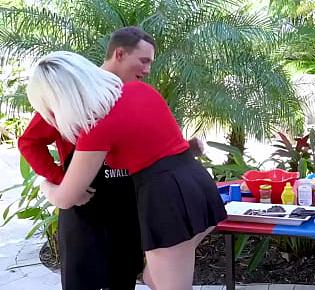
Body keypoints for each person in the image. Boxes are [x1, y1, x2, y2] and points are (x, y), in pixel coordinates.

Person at [26, 50, 227, 290]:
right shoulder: (139, 90)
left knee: (170, 285)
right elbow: (160, 148)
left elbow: (66, 197)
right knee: (153, 278)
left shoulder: (97, 127)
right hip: (196, 185)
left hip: (167, 200)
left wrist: (46, 184)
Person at [18, 26, 155, 290]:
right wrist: (62, 180)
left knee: (124, 278)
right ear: (119, 54)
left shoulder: (136, 94)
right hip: (83, 210)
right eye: (144, 61)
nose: (147, 70)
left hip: (127, 206)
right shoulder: (73, 91)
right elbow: (29, 142)